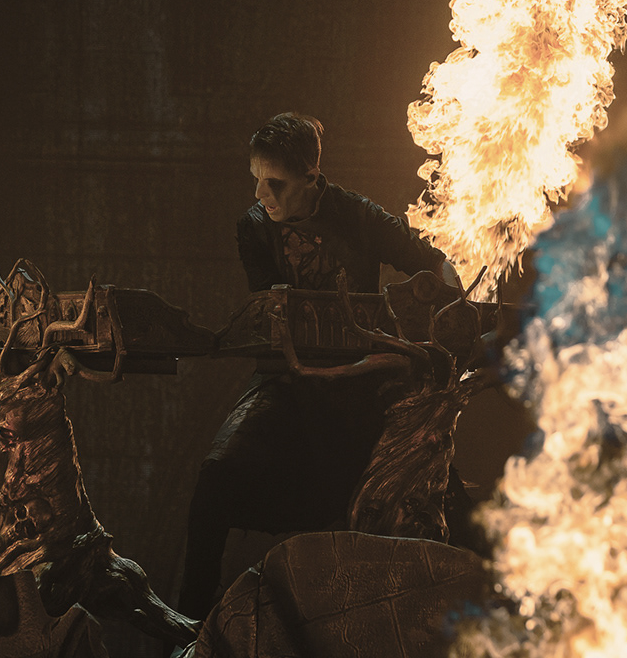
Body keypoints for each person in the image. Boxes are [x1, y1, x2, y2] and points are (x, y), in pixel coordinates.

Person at [176, 112, 452, 620]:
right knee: (215, 477)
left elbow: (429, 261)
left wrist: (449, 306)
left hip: (360, 380)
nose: (261, 194)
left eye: (275, 183)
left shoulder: (359, 216)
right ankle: (190, 625)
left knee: (409, 493)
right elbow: (269, 308)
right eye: (256, 179)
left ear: (311, 177)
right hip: (283, 379)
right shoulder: (253, 227)